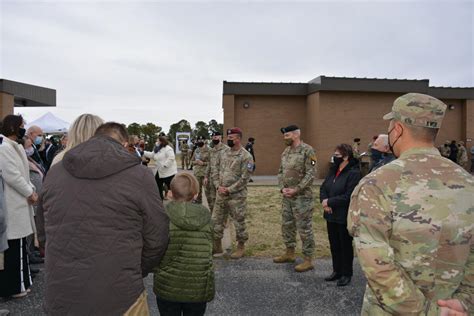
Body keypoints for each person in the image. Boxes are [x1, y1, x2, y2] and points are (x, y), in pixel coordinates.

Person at [348, 93, 474, 315]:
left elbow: (377, 265)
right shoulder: (468, 182)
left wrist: (429, 312)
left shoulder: (377, 184)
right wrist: (465, 301)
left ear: (397, 129)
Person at [36, 122, 170, 315]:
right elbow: (157, 235)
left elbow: (43, 230)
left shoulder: (56, 172)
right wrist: (134, 268)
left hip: (62, 293)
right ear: (124, 144)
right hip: (121, 295)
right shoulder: (139, 175)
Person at [153, 173, 214, 316]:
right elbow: (210, 250)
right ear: (196, 194)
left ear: (170, 193)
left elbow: (154, 249)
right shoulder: (207, 219)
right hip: (197, 288)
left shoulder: (162, 217)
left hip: (167, 286)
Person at [0, 115, 37, 298]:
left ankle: (22, 283)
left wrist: (30, 189)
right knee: (14, 248)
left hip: (19, 200)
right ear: (14, 127)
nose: (24, 129)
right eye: (22, 126)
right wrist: (29, 191)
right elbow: (12, 175)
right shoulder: (4, 147)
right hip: (13, 202)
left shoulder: (13, 146)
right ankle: (14, 286)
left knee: (20, 245)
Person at [273, 125, 317, 273]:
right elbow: (280, 172)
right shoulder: (286, 152)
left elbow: (311, 173)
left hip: (302, 198)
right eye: (284, 136)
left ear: (296, 135)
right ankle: (290, 253)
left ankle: (308, 259)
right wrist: (282, 188)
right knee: (287, 225)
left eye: (287, 135)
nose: (284, 138)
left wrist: (296, 189)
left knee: (304, 229)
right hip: (287, 197)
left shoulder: (308, 150)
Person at [320, 144, 361, 286]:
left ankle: (346, 273)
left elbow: (349, 195)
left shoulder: (354, 173)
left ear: (346, 157)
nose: (334, 158)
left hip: (343, 215)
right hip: (330, 214)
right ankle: (336, 271)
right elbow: (323, 187)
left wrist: (330, 201)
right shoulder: (333, 170)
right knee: (334, 244)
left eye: (337, 155)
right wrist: (324, 202)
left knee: (345, 246)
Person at [211, 127, 253, 259]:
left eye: (231, 138)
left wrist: (229, 189)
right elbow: (216, 170)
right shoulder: (223, 153)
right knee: (216, 220)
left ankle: (241, 247)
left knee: (238, 221)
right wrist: (218, 186)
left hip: (236, 196)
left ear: (238, 139)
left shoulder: (246, 156)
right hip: (221, 193)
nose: (228, 140)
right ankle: (217, 246)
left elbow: (244, 179)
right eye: (228, 138)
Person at [144, 135, 178, 200]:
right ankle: (159, 200)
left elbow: (171, 158)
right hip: (160, 172)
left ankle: (177, 201)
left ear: (161, 141)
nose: (156, 141)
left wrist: (165, 165)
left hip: (169, 173)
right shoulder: (157, 149)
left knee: (171, 188)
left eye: (157, 140)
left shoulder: (168, 149)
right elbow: (152, 155)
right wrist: (143, 152)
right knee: (157, 187)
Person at [204, 131, 229, 213]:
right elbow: (209, 164)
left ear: (221, 137)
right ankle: (213, 215)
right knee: (211, 198)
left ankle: (222, 217)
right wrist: (206, 176)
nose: (215, 138)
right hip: (211, 179)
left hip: (221, 179)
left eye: (217, 136)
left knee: (221, 199)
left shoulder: (226, 150)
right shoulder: (211, 151)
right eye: (213, 137)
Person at [190, 136, 210, 204]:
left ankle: (211, 209)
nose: (200, 141)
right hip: (197, 174)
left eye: (202, 140)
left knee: (208, 192)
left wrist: (203, 163)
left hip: (206, 174)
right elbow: (191, 161)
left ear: (205, 141)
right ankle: (199, 207)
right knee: (197, 191)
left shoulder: (209, 150)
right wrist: (195, 162)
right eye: (198, 140)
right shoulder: (196, 150)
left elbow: (212, 163)